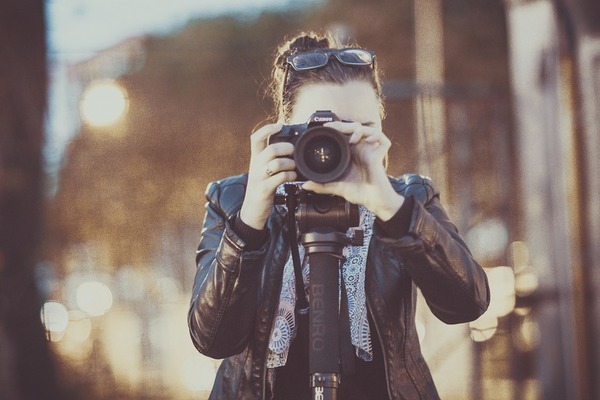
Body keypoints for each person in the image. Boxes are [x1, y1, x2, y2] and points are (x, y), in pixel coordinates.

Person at [188, 31, 490, 400]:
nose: (337, 149)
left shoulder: (407, 199)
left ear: (381, 130)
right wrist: (250, 220)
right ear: (284, 130)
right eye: (323, 131)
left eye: (360, 131)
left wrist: (390, 208)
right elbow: (211, 338)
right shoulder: (234, 199)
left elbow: (468, 305)